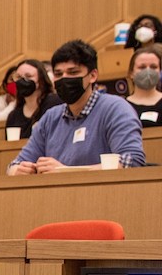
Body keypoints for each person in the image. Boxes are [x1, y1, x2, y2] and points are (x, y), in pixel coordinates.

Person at [8, 40, 145, 175]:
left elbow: (132, 161)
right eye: (58, 74)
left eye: (73, 73)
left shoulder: (115, 109)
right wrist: (19, 170)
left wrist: (64, 171)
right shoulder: (51, 117)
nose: (64, 78)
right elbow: (13, 166)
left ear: (92, 76)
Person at [4, 58, 61, 140]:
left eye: (28, 76)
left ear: (41, 80)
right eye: (18, 77)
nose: (22, 80)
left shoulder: (54, 103)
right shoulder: (13, 116)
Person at [126, 45, 162, 128]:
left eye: (153, 67)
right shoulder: (121, 106)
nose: (148, 71)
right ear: (131, 73)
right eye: (142, 67)